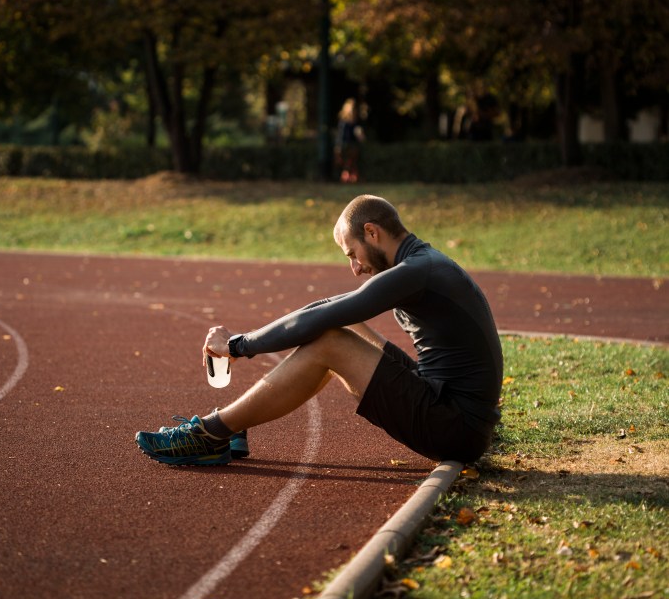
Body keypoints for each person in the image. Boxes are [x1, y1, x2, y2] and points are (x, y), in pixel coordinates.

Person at [135, 195, 503, 468]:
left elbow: (321, 320)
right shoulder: (421, 262)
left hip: (457, 429)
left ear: (371, 232)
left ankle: (210, 434)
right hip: (456, 414)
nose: (355, 268)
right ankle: (233, 424)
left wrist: (237, 345)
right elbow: (326, 308)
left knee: (328, 340)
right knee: (338, 323)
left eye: (352, 253)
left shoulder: (415, 271)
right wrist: (242, 341)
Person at [334, 98, 365, 182]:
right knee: (347, 165)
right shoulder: (343, 123)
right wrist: (338, 148)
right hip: (346, 146)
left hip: (352, 146)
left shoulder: (355, 123)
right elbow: (340, 136)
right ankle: (346, 179)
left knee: (351, 164)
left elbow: (359, 135)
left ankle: (352, 179)